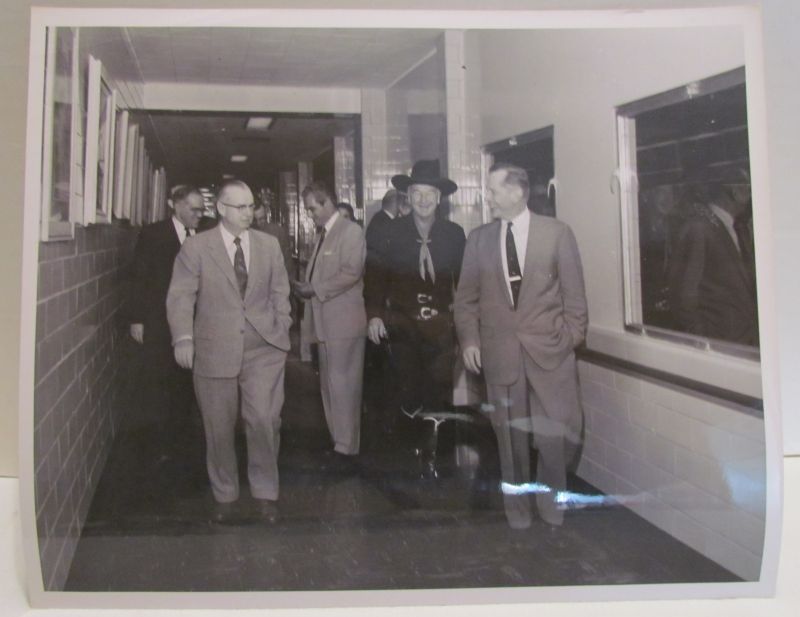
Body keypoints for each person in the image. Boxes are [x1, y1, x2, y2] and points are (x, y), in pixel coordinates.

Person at [454, 162, 588, 529]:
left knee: (558, 434)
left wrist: (569, 339)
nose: (488, 197)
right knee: (509, 440)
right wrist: (469, 340)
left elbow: (576, 301)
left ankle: (550, 504)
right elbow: (465, 299)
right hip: (500, 355)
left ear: (517, 192)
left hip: (551, 354)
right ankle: (518, 513)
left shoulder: (557, 234)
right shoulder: (478, 239)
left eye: (493, 191)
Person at [166, 180, 292, 523]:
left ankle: (265, 492)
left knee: (264, 421)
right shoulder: (197, 248)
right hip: (214, 349)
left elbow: (281, 291)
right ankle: (225, 494)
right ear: (221, 209)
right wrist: (183, 339)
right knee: (218, 427)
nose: (249, 213)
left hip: (264, 348)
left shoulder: (269, 245)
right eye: (241, 207)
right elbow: (180, 296)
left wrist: (281, 325)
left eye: (252, 206)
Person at [365, 160, 466, 423]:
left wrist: (466, 326)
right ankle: (409, 454)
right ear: (408, 196)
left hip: (441, 330)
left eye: (430, 193)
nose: (423, 200)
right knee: (405, 393)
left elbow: (465, 283)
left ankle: (435, 459)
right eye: (417, 193)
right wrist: (374, 315)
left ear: (439, 197)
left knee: (438, 395)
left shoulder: (454, 235)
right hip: (402, 328)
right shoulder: (389, 232)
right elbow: (375, 278)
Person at [126, 184, 204, 461]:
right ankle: (162, 444)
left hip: (193, 324)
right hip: (158, 321)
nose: (200, 214)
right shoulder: (153, 234)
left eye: (202, 209)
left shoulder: (202, 236)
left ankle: (184, 437)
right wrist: (137, 318)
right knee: (160, 381)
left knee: (186, 380)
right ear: (177, 205)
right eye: (195, 209)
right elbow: (139, 278)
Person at [293, 181, 367, 468]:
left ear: (327, 203)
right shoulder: (324, 234)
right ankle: (338, 442)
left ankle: (347, 449)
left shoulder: (350, 231)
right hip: (325, 324)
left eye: (312, 208)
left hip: (344, 325)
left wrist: (314, 289)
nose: (310, 214)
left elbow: (351, 273)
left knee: (344, 386)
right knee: (329, 386)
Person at [668, 170, 758, 346]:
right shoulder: (698, 228)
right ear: (735, 191)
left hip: (743, 342)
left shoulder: (736, 228)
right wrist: (705, 341)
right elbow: (683, 298)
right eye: (749, 188)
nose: (752, 195)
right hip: (720, 346)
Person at [253, 202, 293, 278]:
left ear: (266, 215)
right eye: (254, 220)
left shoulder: (278, 232)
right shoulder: (246, 233)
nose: (258, 223)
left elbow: (287, 261)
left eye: (261, 219)